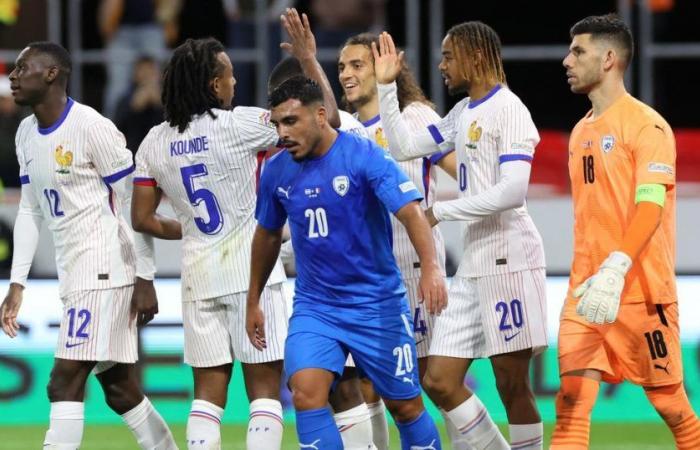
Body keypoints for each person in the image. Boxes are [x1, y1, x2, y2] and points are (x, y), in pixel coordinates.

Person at [131, 9, 341, 450]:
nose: (234, 83)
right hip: (253, 273)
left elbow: (142, 219)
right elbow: (326, 122)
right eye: (227, 75)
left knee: (207, 398)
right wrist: (307, 60)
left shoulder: (154, 142)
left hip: (198, 274)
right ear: (213, 85)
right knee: (264, 393)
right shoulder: (241, 124)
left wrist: (188, 229)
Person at [247, 75, 446, 450]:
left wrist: (431, 267)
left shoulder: (364, 155)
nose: (282, 133)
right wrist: (252, 299)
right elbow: (268, 234)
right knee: (306, 393)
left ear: (321, 115)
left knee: (404, 406)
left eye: (291, 121)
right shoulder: (275, 170)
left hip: (376, 303)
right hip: (315, 306)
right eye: (277, 124)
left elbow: (411, 212)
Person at [375, 25, 547, 450]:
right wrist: (385, 88)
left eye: (449, 56)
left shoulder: (510, 110)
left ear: (474, 55)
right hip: (473, 261)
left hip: (510, 256)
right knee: (438, 378)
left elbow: (513, 192)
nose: (442, 65)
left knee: (511, 384)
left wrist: (441, 212)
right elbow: (402, 147)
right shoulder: (462, 112)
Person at [0, 41, 176, 450]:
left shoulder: (92, 127)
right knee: (119, 389)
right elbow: (30, 211)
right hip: (74, 271)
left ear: (51, 74)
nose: (13, 75)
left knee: (63, 380)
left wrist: (144, 276)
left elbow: (134, 202)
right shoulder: (26, 133)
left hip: (104, 268)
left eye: (24, 67)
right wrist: (17, 283)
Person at [550, 14, 700, 449]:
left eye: (578, 51)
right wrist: (598, 275)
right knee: (572, 403)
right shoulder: (580, 132)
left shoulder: (647, 126)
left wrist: (616, 268)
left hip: (639, 290)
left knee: (671, 405)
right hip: (586, 291)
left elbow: (650, 207)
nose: (566, 60)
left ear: (610, 58)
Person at [336, 32, 456, 450]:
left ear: (383, 67)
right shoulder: (344, 130)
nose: (347, 75)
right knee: (370, 386)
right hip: (368, 277)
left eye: (357, 65)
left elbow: (468, 173)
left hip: (416, 267)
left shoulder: (417, 117)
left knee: (429, 383)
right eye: (342, 67)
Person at [267, 55, 377, 450]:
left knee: (362, 391)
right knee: (329, 391)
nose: (281, 123)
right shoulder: (285, 153)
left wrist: (310, 57)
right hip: (316, 291)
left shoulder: (345, 133)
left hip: (357, 289)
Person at [114, 56, 164, 156]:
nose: (147, 75)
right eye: (142, 70)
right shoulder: (125, 100)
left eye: (150, 69)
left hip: (162, 153)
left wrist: (161, 106)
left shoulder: (168, 99)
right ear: (134, 75)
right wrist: (133, 109)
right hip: (133, 155)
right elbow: (116, 131)